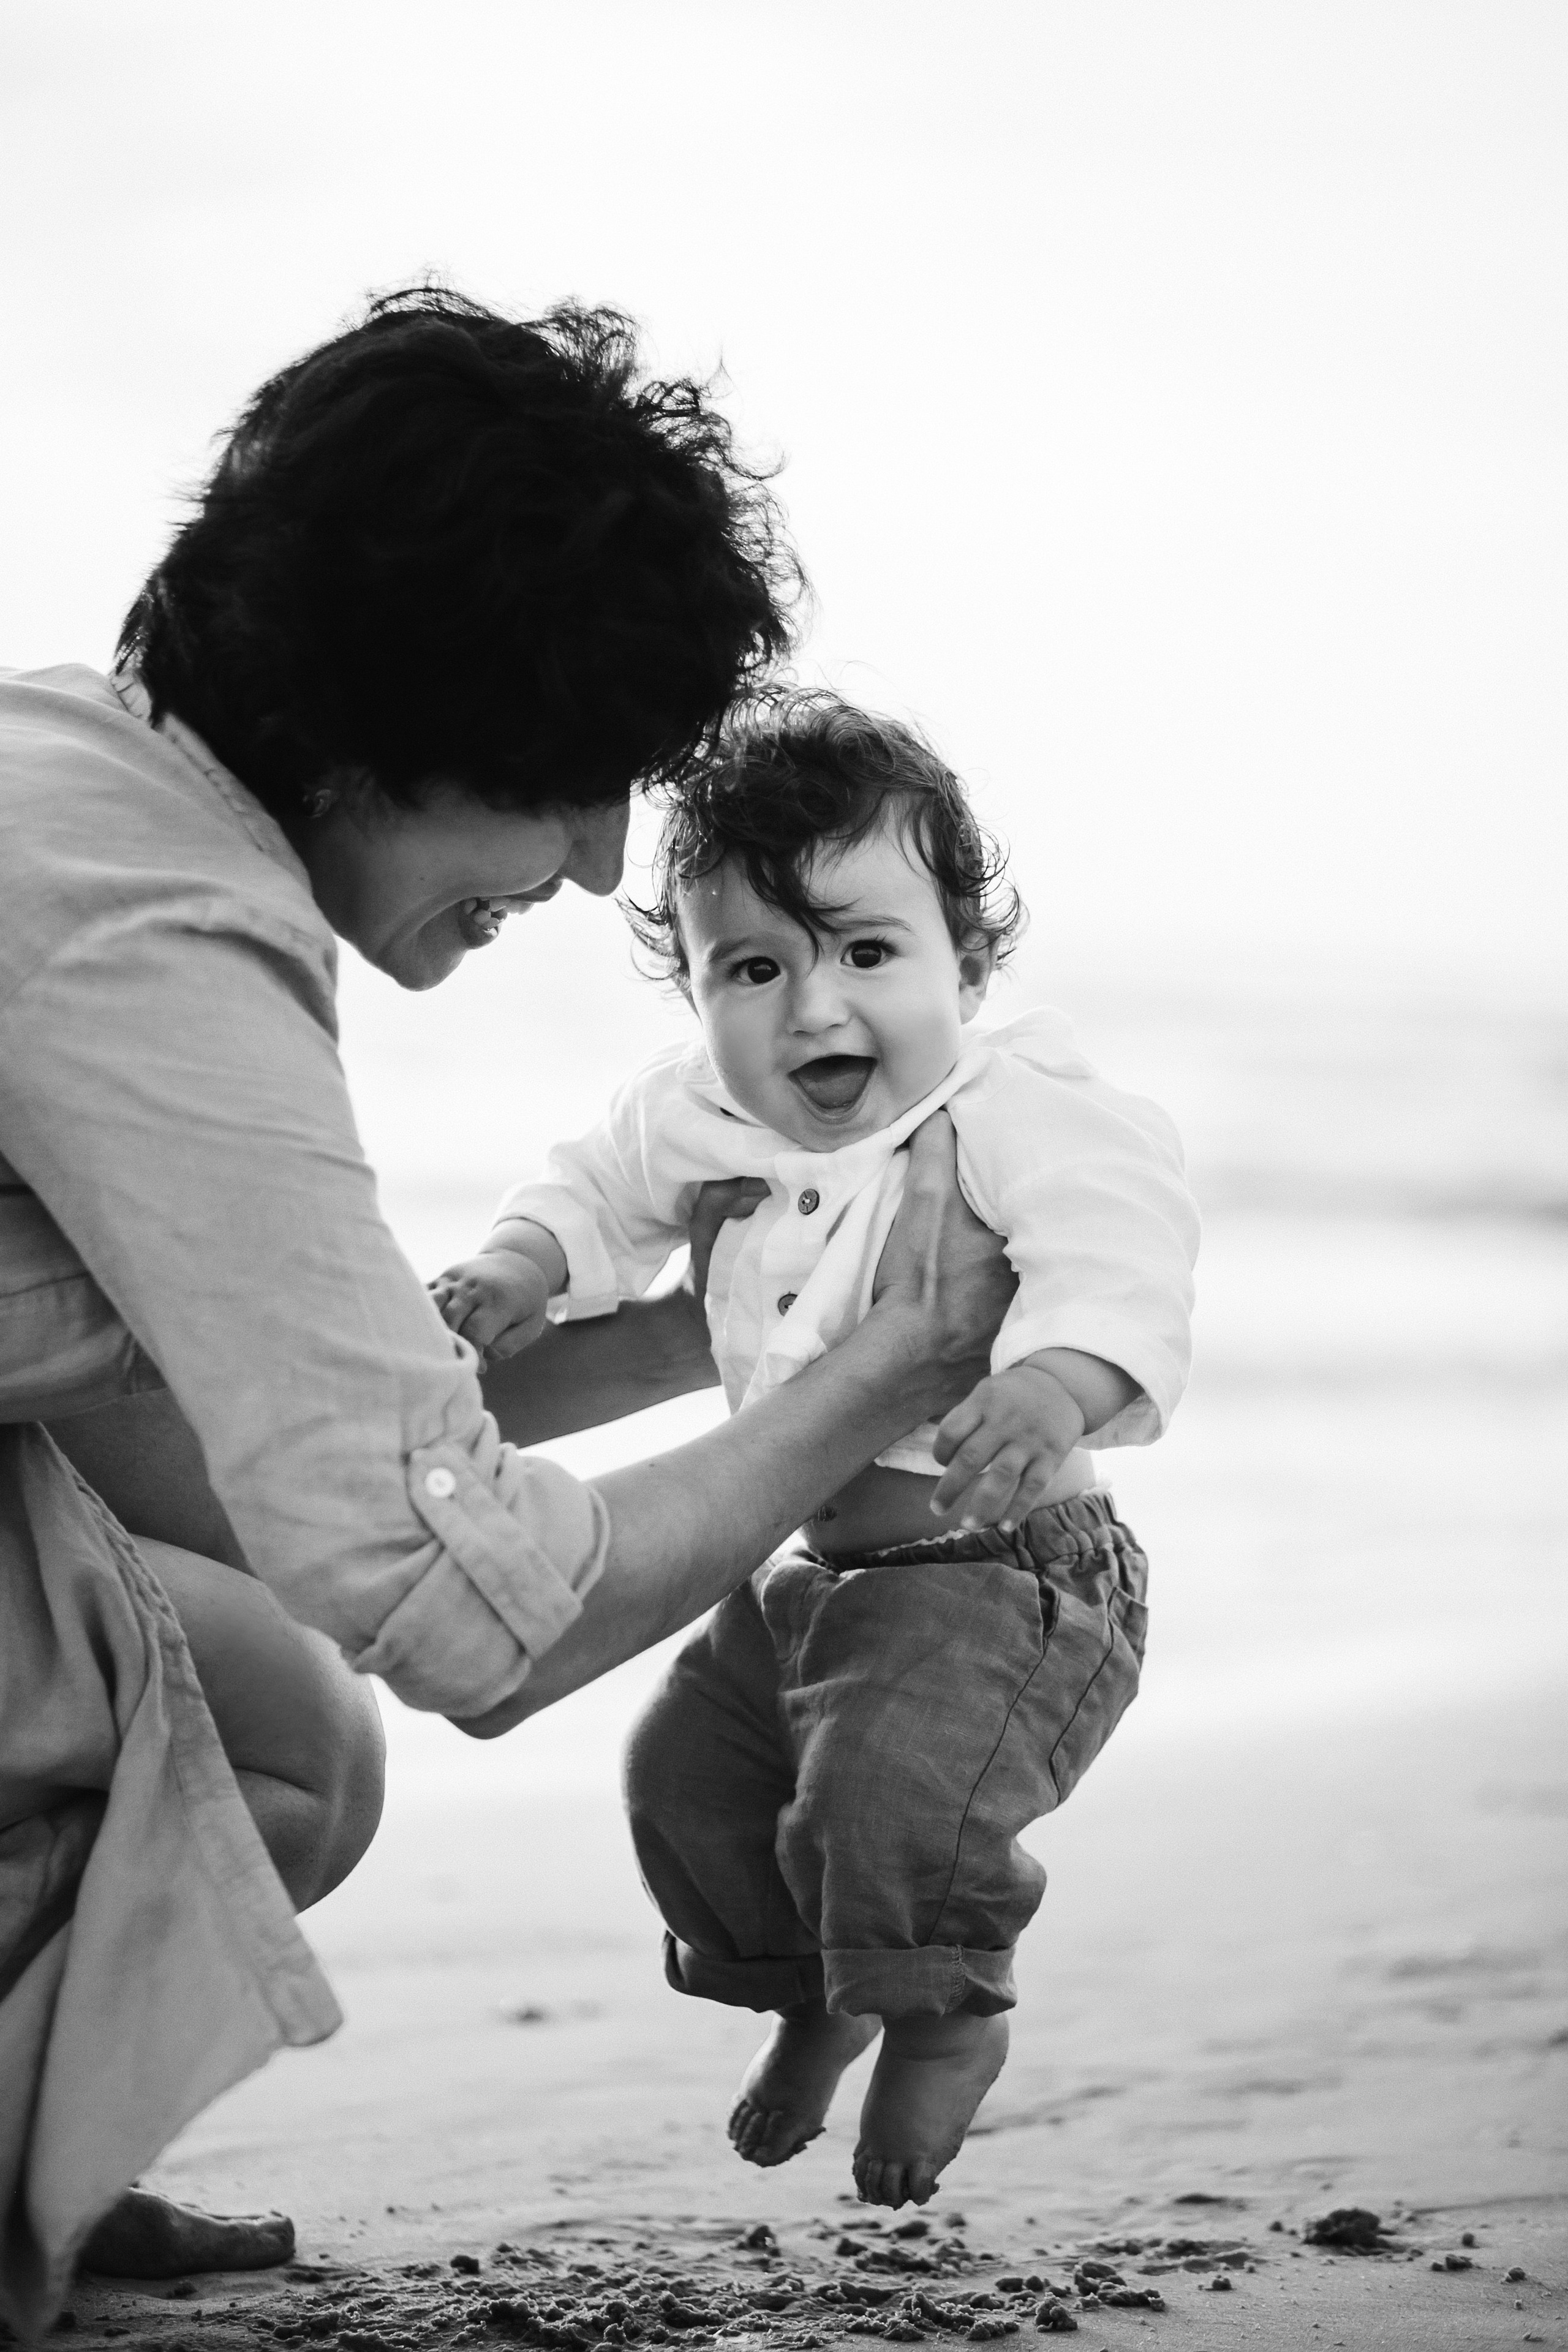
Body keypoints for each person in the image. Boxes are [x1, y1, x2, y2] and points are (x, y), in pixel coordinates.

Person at [0, 295, 1016, 2337]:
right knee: (287, 1716)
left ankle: (34, 2134)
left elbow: (227, 1455)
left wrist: (695, 1332)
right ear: (380, 722)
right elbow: (478, 1619)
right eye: (572, 780)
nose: (597, 862)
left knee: (275, 1723)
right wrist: (885, 1373)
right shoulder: (154, 937)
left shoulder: (85, 766)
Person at [431, 693, 1201, 2210]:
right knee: (687, 1781)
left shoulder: (1013, 1107)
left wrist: (1052, 1385)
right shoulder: (702, 1112)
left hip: (1000, 1574)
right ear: (697, 992)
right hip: (801, 1578)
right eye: (753, 968)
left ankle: (942, 2013)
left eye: (865, 951)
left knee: (886, 1799)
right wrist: (521, 1271)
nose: (811, 1010)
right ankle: (818, 1993)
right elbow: (590, 1192)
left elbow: (1121, 1248)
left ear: (962, 965)